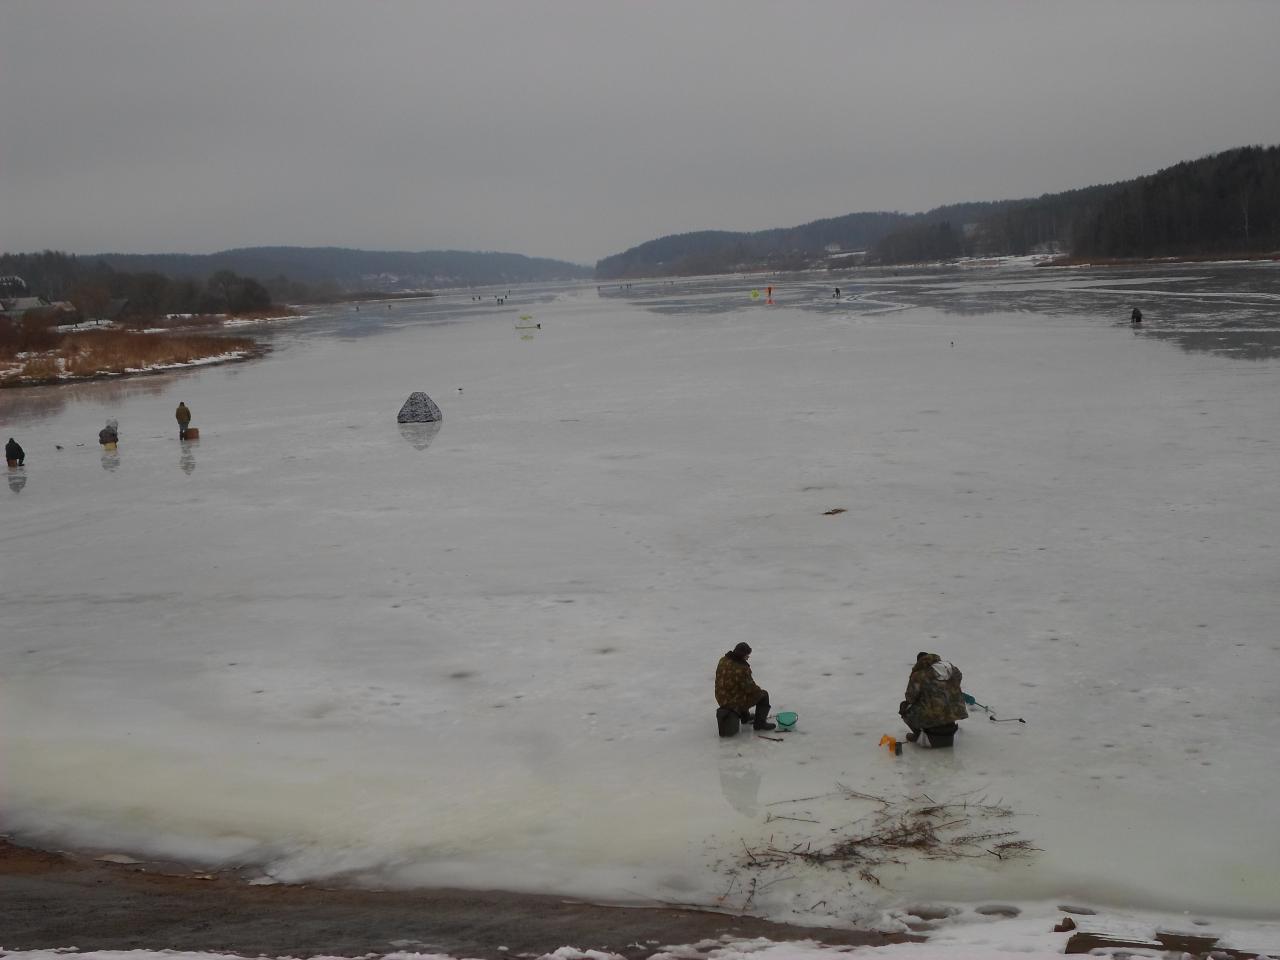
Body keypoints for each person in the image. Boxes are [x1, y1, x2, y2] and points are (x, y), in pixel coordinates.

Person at [899, 651, 968, 747]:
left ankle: (918, 735)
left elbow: (910, 698)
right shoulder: (950, 668)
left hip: (932, 716)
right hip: (953, 713)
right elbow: (959, 676)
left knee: (904, 706)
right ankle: (946, 728)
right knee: (946, 705)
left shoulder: (919, 675)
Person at [715, 642, 775, 733]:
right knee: (763, 695)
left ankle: (745, 717)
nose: (748, 657)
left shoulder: (723, 660)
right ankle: (760, 724)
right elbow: (750, 689)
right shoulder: (742, 668)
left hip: (721, 698)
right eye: (747, 655)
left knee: (739, 690)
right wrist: (759, 692)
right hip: (732, 703)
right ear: (742, 655)